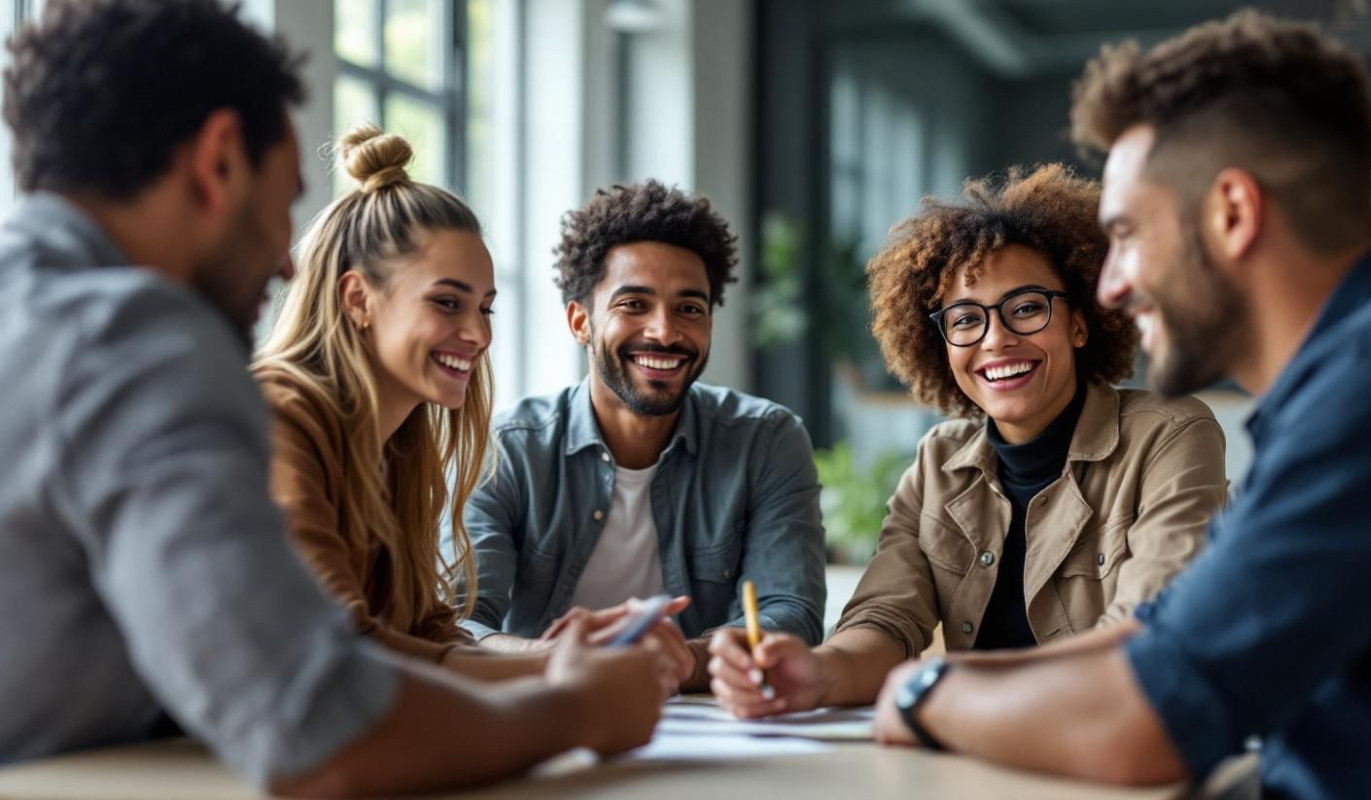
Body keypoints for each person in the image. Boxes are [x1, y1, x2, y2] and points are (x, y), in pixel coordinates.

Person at [0, 1, 661, 795]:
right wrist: (577, 709)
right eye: (282, 200)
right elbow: (318, 723)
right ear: (218, 162)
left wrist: (546, 662)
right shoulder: (135, 341)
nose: (288, 263)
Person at [866, 11, 1371, 799]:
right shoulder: (1344, 384)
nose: (1111, 285)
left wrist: (922, 693)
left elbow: (1147, 724)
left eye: (1127, 233)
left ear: (1232, 214)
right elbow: (1165, 641)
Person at [709, 164, 1226, 717]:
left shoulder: (1170, 435)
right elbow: (885, 620)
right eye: (965, 320)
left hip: (1109, 739)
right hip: (979, 739)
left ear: (1080, 323)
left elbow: (1148, 633)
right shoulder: (938, 462)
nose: (996, 339)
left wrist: (948, 690)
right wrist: (817, 673)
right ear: (942, 344)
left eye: (1026, 308)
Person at [456, 180, 827, 692]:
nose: (665, 331)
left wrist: (683, 660)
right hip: (544, 712)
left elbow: (791, 612)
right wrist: (555, 659)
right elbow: (457, 624)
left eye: (689, 309)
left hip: (710, 722)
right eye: (634, 304)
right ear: (580, 321)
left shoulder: (766, 441)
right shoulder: (508, 450)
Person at [253, 124, 564, 682]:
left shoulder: (401, 448)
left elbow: (423, 629)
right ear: (358, 299)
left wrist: (566, 657)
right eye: (447, 302)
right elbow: (337, 640)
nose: (479, 336)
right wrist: (558, 673)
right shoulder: (280, 415)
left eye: (486, 309)